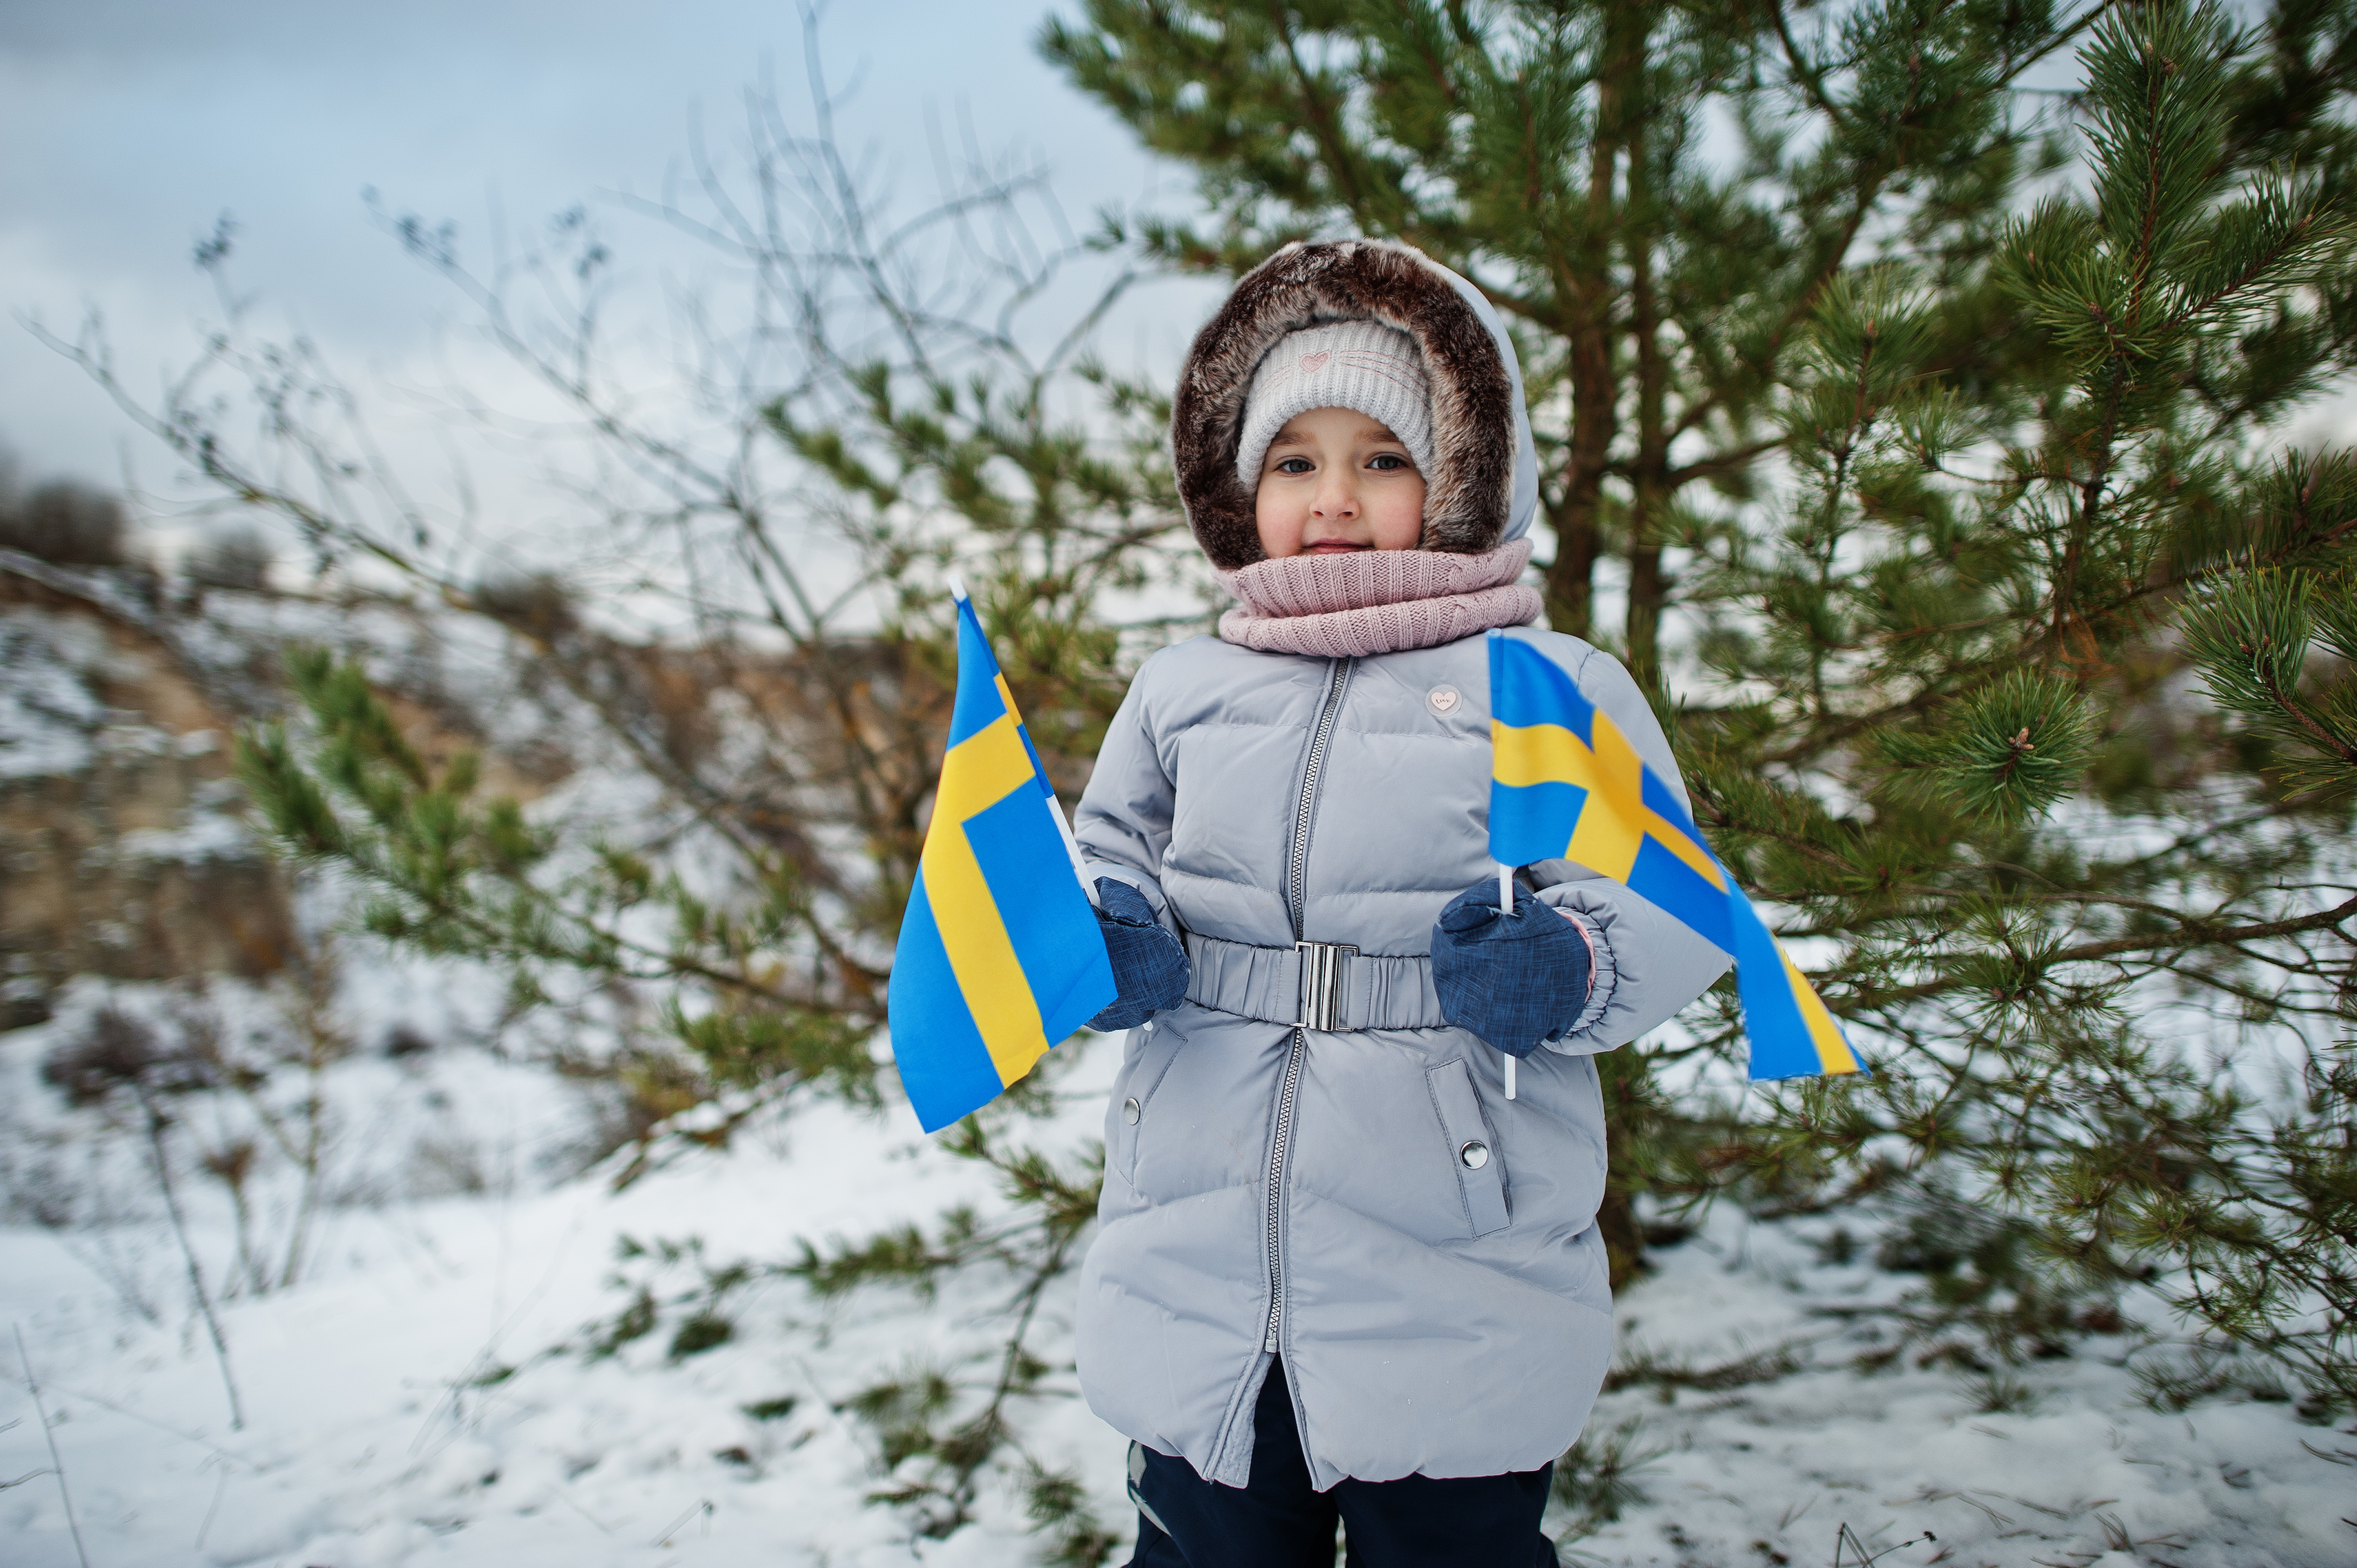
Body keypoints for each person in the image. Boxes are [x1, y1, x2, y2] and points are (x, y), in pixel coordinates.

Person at [1069, 239, 1730, 1567]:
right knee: (1207, 1544)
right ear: (1238, 486)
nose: (1333, 496)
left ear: (1463, 475)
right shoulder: (1185, 686)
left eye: (1383, 457)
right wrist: (1110, 931)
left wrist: (1572, 962)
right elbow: (1110, 846)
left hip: (1452, 1231)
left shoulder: (1538, 681)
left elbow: (1673, 899)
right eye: (1294, 461)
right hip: (1197, 1222)